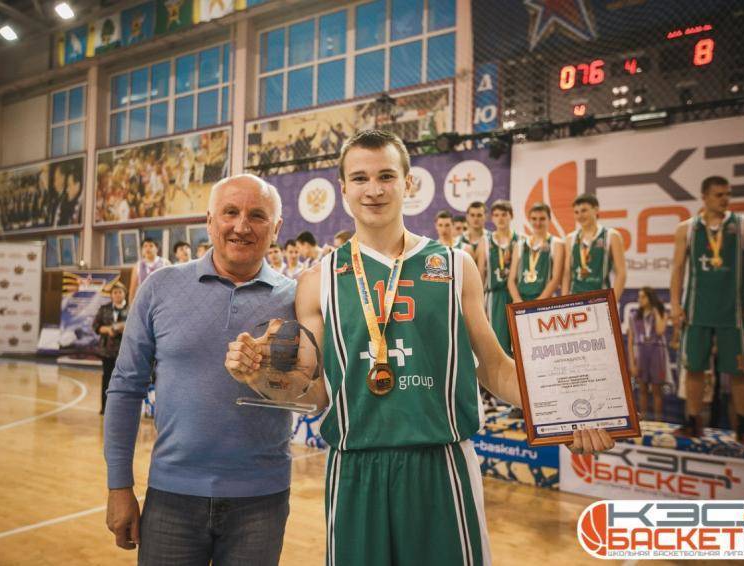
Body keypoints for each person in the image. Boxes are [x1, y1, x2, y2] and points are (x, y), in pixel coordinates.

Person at [225, 130, 614, 566]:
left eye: (386, 176)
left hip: (441, 464)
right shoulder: (317, 281)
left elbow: (495, 368)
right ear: (344, 189)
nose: (374, 189)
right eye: (360, 178)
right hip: (354, 468)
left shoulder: (455, 266)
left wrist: (567, 414)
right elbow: (314, 393)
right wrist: (260, 377)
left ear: (408, 183)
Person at [105, 174, 296, 565]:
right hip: (172, 496)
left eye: (257, 216)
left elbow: (314, 388)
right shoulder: (159, 288)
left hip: (262, 500)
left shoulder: (295, 299)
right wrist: (119, 486)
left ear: (276, 228)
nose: (241, 226)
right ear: (209, 221)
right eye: (230, 212)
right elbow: (125, 388)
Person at [670, 176, 744, 442]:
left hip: (734, 311)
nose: (725, 199)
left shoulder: (743, 225)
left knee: (740, 372)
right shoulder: (687, 228)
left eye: (727, 194)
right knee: (694, 368)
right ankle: (692, 422)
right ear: (705, 197)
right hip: (696, 311)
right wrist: (675, 304)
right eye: (719, 195)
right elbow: (678, 269)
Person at [562, 194, 627, 301]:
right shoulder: (570, 238)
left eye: (584, 210)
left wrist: (612, 302)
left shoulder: (611, 235)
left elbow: (621, 273)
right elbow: (567, 273)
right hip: (575, 299)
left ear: (596, 210)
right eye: (576, 212)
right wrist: (564, 301)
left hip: (601, 300)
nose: (580, 216)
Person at [475, 200, 518, 355]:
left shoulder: (520, 240)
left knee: (518, 343)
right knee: (499, 345)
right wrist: (480, 304)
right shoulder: (485, 241)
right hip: (494, 296)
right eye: (497, 215)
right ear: (491, 218)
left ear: (511, 216)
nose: (500, 219)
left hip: (516, 295)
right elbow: (480, 274)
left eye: (504, 215)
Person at [507, 202, 564, 303]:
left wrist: (538, 302)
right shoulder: (519, 245)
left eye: (542, 219)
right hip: (521, 300)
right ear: (529, 220)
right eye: (534, 219)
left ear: (549, 220)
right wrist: (517, 300)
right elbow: (511, 280)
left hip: (545, 301)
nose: (538, 223)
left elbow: (556, 279)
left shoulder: (556, 243)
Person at [627, 287, 668, 421]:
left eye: (643, 296)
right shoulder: (634, 315)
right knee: (642, 389)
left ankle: (658, 421)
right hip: (641, 353)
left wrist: (656, 312)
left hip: (656, 352)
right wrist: (632, 363)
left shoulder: (661, 312)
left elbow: (660, 331)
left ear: (650, 298)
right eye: (639, 296)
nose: (639, 299)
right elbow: (630, 340)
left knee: (657, 390)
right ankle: (643, 421)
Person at [93, 282, 129, 414]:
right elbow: (96, 327)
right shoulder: (104, 309)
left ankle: (121, 409)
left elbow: (138, 328)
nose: (117, 295)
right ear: (111, 295)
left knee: (124, 380)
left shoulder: (132, 309)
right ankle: (105, 408)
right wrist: (108, 329)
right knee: (107, 379)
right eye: (115, 292)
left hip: (125, 352)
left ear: (125, 293)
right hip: (107, 351)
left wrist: (123, 329)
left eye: (120, 292)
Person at [129, 238, 171, 303]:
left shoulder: (165, 263)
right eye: (145, 246)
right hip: (144, 300)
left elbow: (171, 283)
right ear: (142, 250)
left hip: (161, 300)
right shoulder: (137, 266)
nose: (148, 248)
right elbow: (132, 289)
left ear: (157, 249)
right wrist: (131, 305)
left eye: (151, 246)